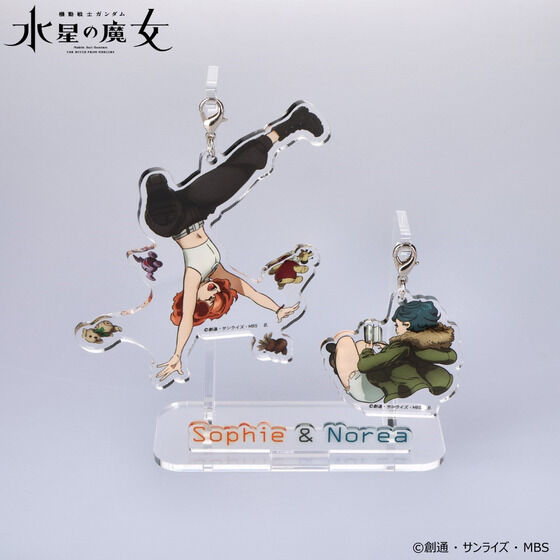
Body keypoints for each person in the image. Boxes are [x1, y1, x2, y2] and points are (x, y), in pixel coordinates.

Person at [142, 102, 326, 381]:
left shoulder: (193, 277)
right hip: (200, 210)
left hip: (173, 223)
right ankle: (293, 124)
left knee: (164, 221)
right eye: (216, 297)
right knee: (242, 169)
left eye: (207, 299)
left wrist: (177, 355)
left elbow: (187, 319)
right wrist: (278, 309)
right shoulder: (217, 271)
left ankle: (156, 187)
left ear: (194, 298)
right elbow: (249, 291)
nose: (213, 292)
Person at [327, 300, 457, 403]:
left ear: (407, 325)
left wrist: (368, 351)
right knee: (360, 344)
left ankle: (336, 358)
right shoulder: (422, 343)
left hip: (367, 389)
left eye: (397, 325)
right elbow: (404, 360)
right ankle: (336, 357)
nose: (396, 328)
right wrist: (386, 349)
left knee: (345, 341)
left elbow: (363, 366)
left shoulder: (402, 345)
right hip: (381, 387)